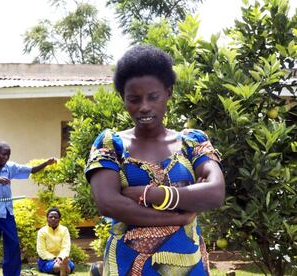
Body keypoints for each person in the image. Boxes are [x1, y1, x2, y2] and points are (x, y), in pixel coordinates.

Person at [85, 45, 225, 275]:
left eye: (153, 97)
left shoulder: (192, 142)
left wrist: (150, 195)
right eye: (134, 99)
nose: (144, 107)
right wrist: (181, 215)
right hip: (128, 264)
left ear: (168, 92)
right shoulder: (111, 144)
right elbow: (108, 203)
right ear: (123, 98)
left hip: (189, 264)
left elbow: (215, 192)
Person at [0, 141, 56, 276]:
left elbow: (31, 170)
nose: (6, 157)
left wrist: (46, 163)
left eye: (8, 155)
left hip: (7, 213)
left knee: (13, 244)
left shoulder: (10, 167)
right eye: (3, 154)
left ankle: (12, 274)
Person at [36, 208, 75, 276]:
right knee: (52, 265)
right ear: (47, 219)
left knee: (70, 264)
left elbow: (66, 247)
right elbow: (41, 251)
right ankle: (64, 268)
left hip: (62, 258)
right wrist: (55, 258)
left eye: (56, 217)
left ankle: (62, 267)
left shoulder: (64, 230)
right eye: (51, 217)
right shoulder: (42, 231)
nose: (53, 219)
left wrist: (60, 258)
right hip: (46, 260)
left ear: (59, 219)